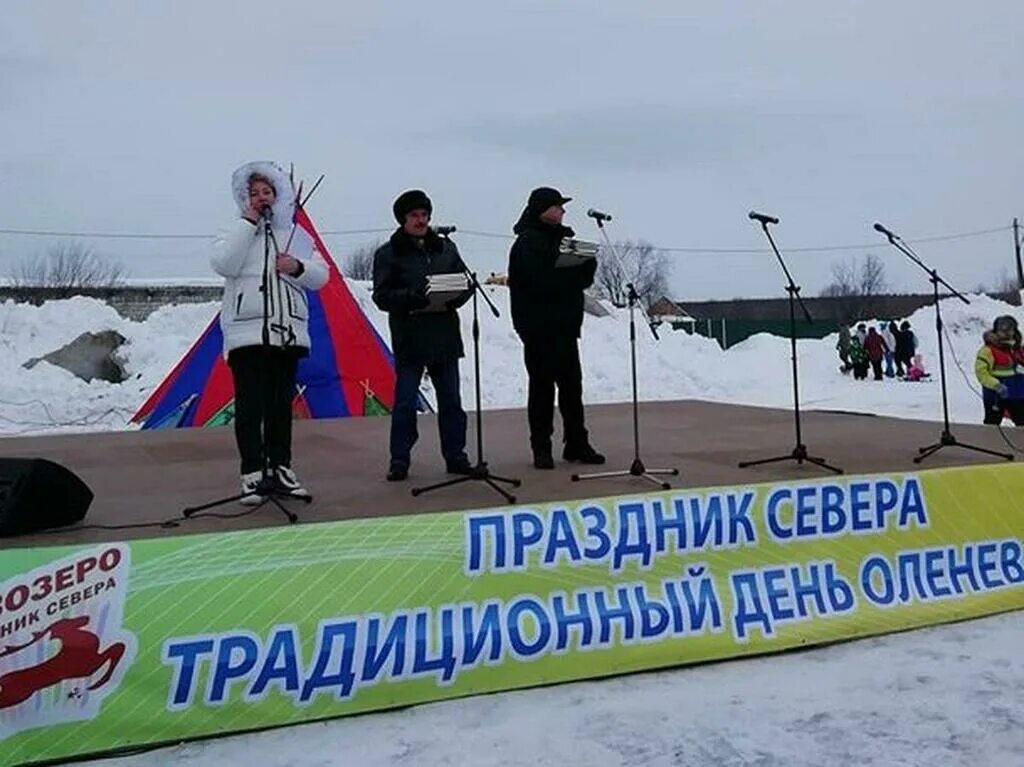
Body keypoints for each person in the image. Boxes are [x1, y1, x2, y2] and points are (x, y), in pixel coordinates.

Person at [211, 161, 329, 503]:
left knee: (280, 406)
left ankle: (281, 467)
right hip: (247, 334)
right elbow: (223, 263)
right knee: (250, 406)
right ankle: (251, 472)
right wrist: (247, 224)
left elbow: (321, 277)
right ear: (244, 199)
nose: (261, 198)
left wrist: (297, 266)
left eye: (267, 192)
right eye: (254, 193)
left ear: (279, 197)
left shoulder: (294, 235)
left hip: (286, 334)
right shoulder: (233, 230)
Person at [372, 190, 472, 481]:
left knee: (451, 400)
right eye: (415, 215)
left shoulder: (446, 249)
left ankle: (456, 455)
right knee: (405, 402)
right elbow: (382, 296)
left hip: (444, 333)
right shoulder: (389, 253)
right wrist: (413, 298)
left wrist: (454, 297)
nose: (421, 220)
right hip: (410, 335)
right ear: (403, 219)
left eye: (425, 215)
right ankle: (399, 459)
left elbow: (464, 282)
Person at [507, 187, 604, 469]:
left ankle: (577, 442)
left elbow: (582, 278)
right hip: (538, 328)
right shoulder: (527, 243)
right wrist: (568, 274)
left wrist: (585, 263)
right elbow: (540, 281)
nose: (563, 211)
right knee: (542, 388)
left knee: (572, 387)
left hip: (566, 326)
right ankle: (541, 446)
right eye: (558, 206)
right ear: (543, 209)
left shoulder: (566, 239)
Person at [974, 315, 1024, 425]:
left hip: (1018, 394)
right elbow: (981, 373)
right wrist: (996, 385)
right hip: (995, 395)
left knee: (1022, 423)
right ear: (996, 331)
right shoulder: (987, 351)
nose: (1007, 333)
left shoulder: (1018, 349)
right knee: (992, 424)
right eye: (1003, 330)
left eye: (1010, 330)